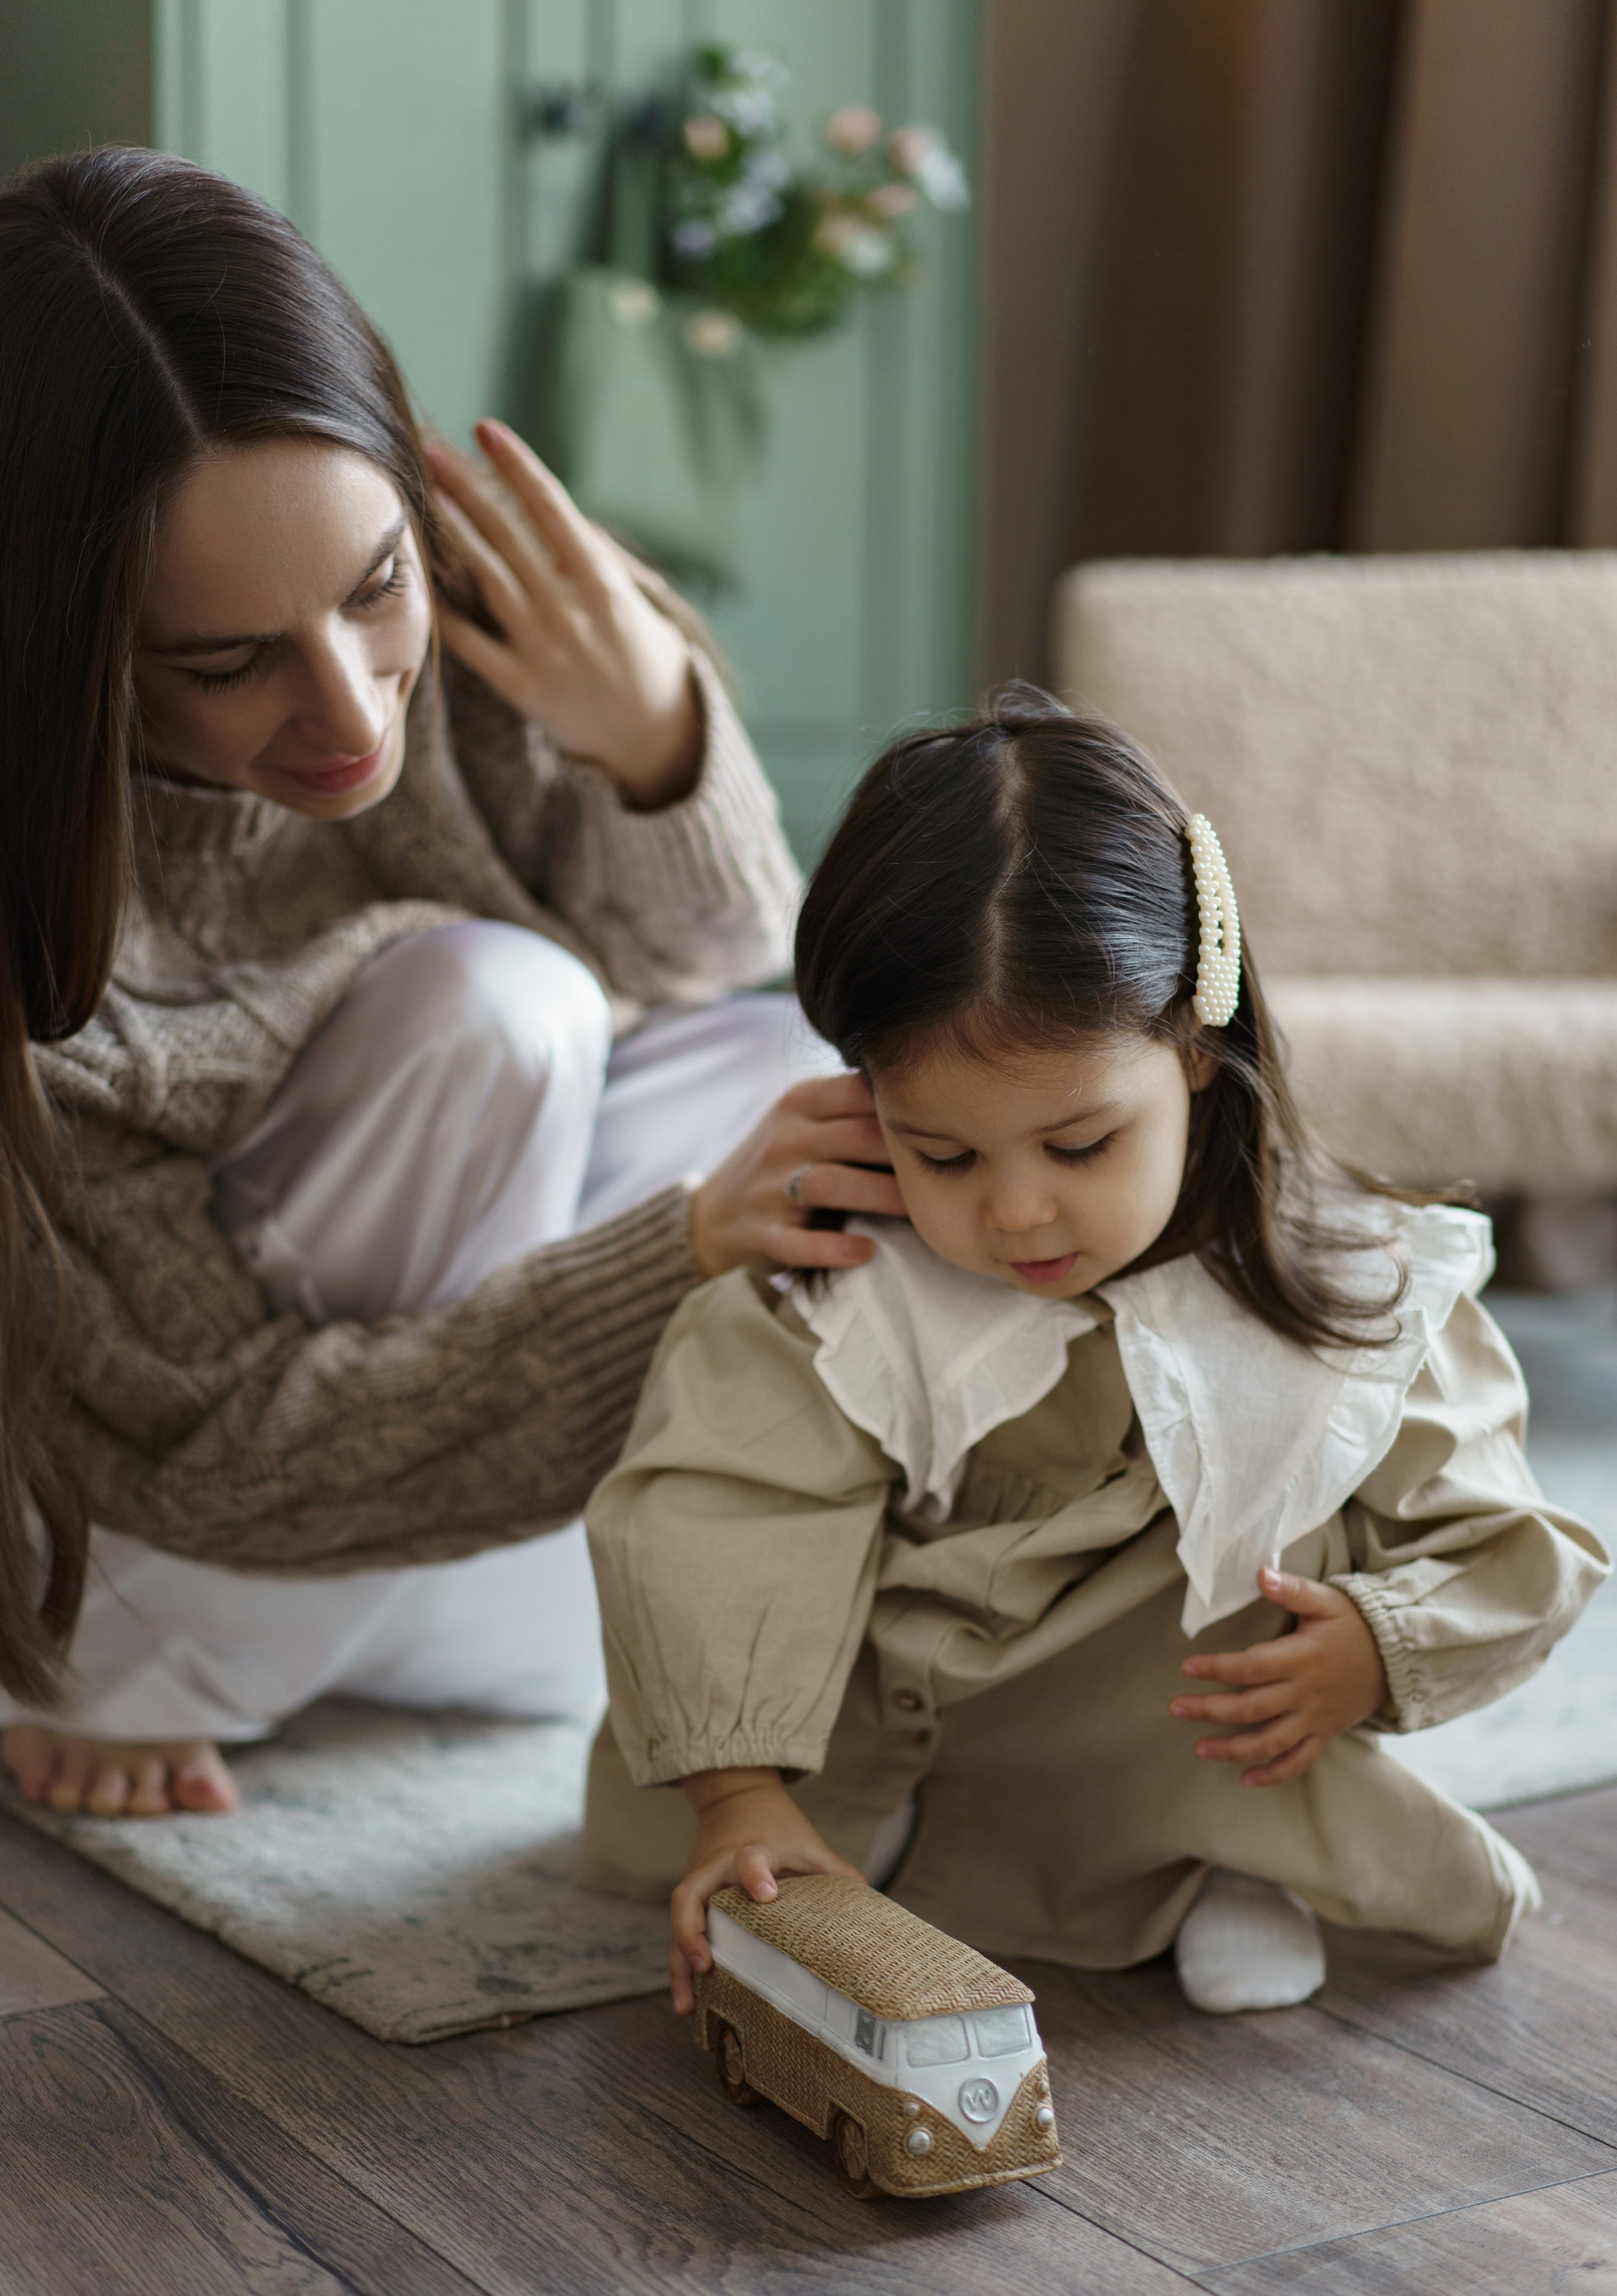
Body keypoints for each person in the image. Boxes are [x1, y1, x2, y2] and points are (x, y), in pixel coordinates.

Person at [0, 147, 903, 1820]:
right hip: (192, 1539)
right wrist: (677, 1259)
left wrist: (654, 744)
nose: (349, 716)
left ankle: (515, 1616)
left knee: (821, 1072)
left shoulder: (504, 622)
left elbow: (721, 979)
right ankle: (156, 1669)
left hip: (476, 1509)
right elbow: (210, 1441)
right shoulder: (48, 903)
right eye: (223, 662)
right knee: (502, 1015)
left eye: (374, 589)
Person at [582, 694, 1609, 2016]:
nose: (1013, 1213)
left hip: (1175, 1726)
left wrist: (1375, 1644)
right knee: (732, 1417)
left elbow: (1503, 1548)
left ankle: (1209, 1861)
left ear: (1192, 1049)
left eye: (1078, 1146)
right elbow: (717, 1510)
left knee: (1267, 1562)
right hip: (892, 1704)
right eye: (939, 1153)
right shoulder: (850, 1285)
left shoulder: (1353, 1286)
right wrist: (735, 1791)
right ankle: (839, 1815)